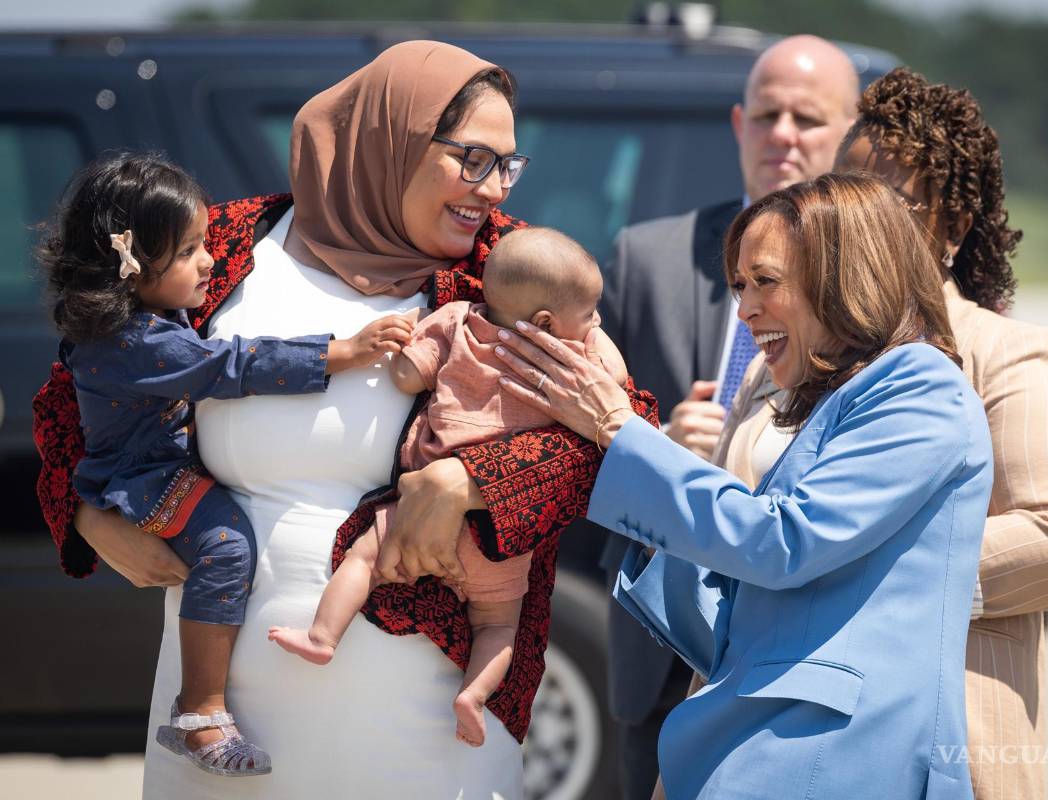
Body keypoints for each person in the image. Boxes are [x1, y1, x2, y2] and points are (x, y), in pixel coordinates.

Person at [31, 41, 654, 799]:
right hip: (221, 727)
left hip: (425, 722)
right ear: (390, 137)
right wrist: (89, 512)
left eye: (507, 165)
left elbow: (618, 427)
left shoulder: (505, 268)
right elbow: (77, 392)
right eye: (473, 159)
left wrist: (470, 479)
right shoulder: (225, 246)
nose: (492, 189)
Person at [492, 172, 993, 798]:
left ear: (844, 272)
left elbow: (783, 542)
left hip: (835, 758)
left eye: (766, 282)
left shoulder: (920, 386)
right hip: (762, 750)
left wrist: (621, 432)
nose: (745, 309)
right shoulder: (835, 402)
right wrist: (629, 476)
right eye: (738, 286)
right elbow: (738, 617)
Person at [39, 152, 415, 778]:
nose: (209, 260)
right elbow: (229, 365)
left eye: (205, 243)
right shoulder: (136, 342)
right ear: (129, 265)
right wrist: (341, 353)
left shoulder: (142, 313)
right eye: (188, 251)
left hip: (153, 469)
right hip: (144, 482)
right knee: (225, 546)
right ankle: (201, 714)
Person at [595, 34, 862, 796]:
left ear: (850, 131)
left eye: (807, 118)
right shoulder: (647, 257)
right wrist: (657, 449)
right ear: (739, 123)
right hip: (658, 636)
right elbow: (580, 436)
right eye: (767, 114)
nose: (783, 134)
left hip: (799, 638)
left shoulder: (873, 282)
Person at [832, 67, 1048, 800]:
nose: (857, 225)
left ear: (951, 224)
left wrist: (857, 569)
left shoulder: (1005, 354)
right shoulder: (786, 361)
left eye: (888, 202)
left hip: (937, 759)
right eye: (841, 201)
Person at [268, 226, 626, 749]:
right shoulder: (572, 361)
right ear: (547, 323)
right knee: (500, 626)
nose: (595, 321)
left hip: (413, 509)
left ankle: (322, 637)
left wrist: (404, 345)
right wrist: (593, 337)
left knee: (364, 562)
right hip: (497, 528)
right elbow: (616, 389)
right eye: (592, 311)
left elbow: (405, 378)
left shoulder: (458, 321)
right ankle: (473, 696)